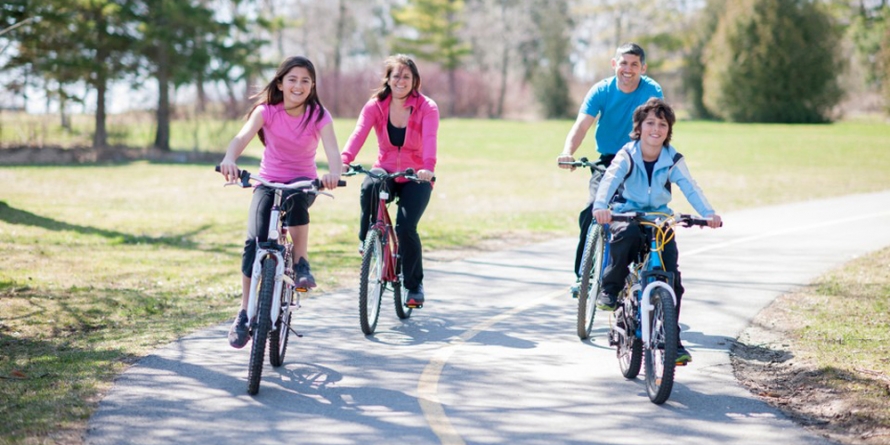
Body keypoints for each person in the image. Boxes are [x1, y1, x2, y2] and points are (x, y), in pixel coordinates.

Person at [218, 56, 342, 349]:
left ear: (312, 85)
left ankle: (301, 263)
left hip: (302, 183)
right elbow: (241, 137)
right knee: (254, 242)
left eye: (305, 80)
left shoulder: (318, 115)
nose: (299, 85)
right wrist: (229, 158)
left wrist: (333, 174)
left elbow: (333, 152)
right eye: (292, 79)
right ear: (281, 83)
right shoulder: (266, 111)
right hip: (268, 182)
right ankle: (244, 313)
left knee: (297, 202)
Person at [592, 98, 722, 365]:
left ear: (668, 130)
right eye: (650, 123)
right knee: (626, 236)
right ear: (639, 127)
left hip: (659, 220)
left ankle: (671, 340)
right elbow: (609, 180)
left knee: (671, 278)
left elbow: (690, 187)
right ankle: (611, 289)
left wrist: (708, 213)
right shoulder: (628, 154)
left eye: (662, 124)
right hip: (626, 213)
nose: (656, 129)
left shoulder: (672, 159)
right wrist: (601, 206)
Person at [556, 43, 663, 295]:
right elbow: (582, 125)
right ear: (614, 64)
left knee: (641, 215)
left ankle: (641, 267)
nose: (628, 69)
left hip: (639, 159)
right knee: (592, 209)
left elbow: (656, 126)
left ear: (643, 68)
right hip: (608, 161)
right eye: (623, 63)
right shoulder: (601, 90)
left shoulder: (651, 91)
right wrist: (568, 151)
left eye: (634, 64)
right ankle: (584, 275)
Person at [340, 54, 438, 309]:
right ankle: (367, 239)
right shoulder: (376, 106)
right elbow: (359, 133)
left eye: (406, 76)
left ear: (414, 81)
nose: (401, 81)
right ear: (388, 79)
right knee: (370, 186)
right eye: (396, 76)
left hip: (416, 174)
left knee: (406, 227)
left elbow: (430, 139)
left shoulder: (427, 107)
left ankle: (413, 286)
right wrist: (345, 159)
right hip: (385, 168)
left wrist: (427, 168)